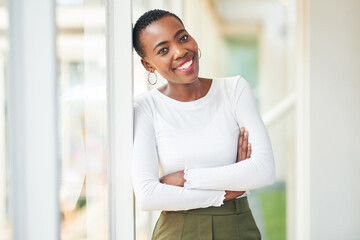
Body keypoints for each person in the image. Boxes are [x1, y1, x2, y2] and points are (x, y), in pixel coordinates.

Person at [132, 9, 275, 240]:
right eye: (163, 50)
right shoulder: (146, 107)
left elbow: (264, 171)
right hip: (177, 230)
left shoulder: (234, 90)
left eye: (183, 37)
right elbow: (149, 195)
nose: (180, 51)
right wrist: (226, 192)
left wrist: (186, 178)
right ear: (149, 65)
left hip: (237, 227)